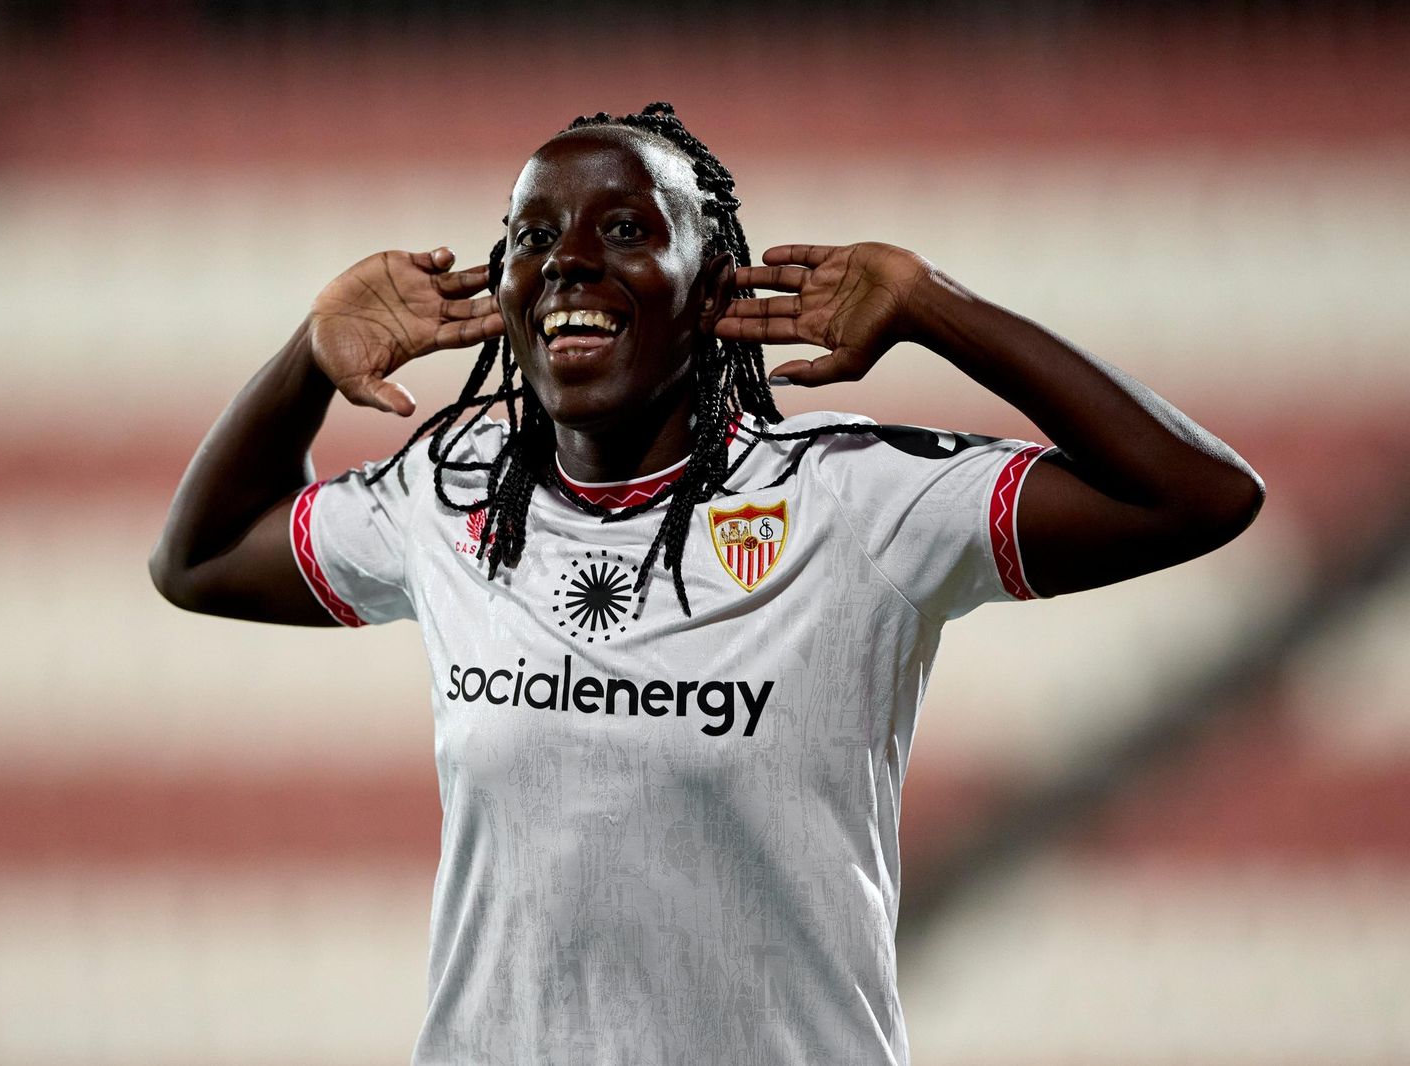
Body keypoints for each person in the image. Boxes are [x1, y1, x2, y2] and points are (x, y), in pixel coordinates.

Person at [150, 103, 1263, 1065]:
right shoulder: (450, 494)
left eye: (625, 229)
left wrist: (936, 308)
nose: (568, 259)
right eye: (531, 236)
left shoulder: (851, 499)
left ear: (708, 287)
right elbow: (197, 559)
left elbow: (1197, 496)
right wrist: (307, 353)